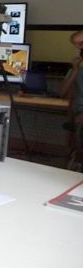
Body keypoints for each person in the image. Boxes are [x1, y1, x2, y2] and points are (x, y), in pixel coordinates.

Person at [60, 30, 83, 169]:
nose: (80, 47)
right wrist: (75, 70)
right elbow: (62, 91)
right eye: (78, 45)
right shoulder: (78, 66)